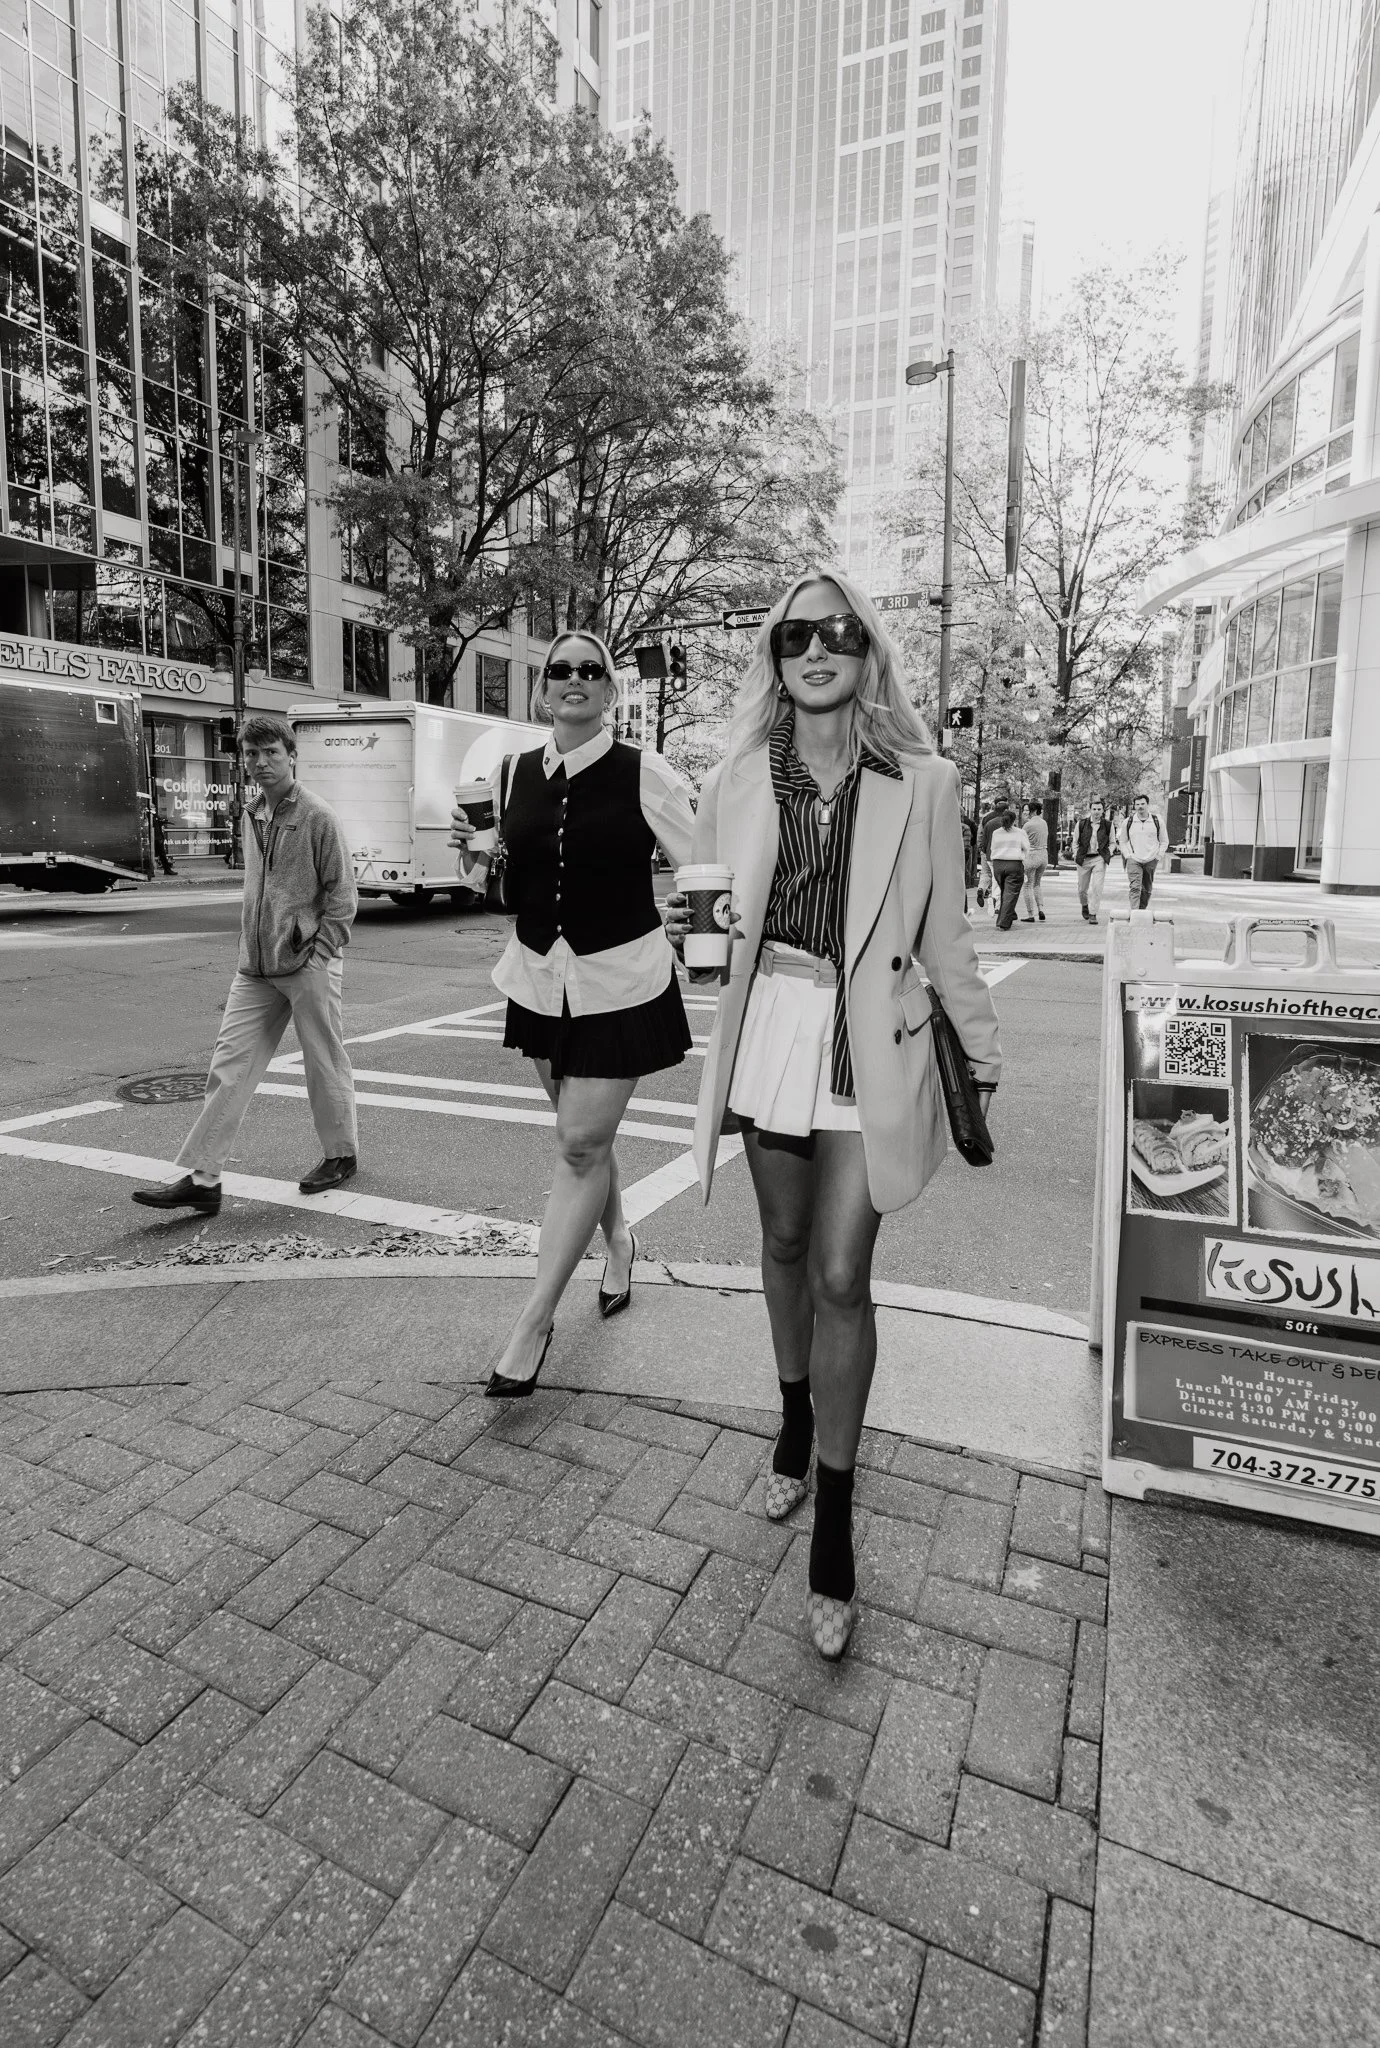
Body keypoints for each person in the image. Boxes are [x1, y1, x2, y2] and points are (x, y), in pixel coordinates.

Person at [667, 570, 1000, 1662]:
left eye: (840, 632)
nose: (818, 648)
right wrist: (692, 931)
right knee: (783, 1241)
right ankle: (795, 1414)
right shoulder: (735, 779)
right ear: (776, 655)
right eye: (797, 634)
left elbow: (948, 934)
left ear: (869, 653)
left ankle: (839, 1522)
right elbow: (712, 916)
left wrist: (981, 1054)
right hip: (772, 1026)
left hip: (875, 1044)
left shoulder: (926, 779)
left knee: (843, 1275)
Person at [450, 630, 695, 1397]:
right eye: (561, 670)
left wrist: (691, 915)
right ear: (542, 690)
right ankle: (619, 1240)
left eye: (592, 671)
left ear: (611, 691)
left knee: (581, 1145)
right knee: (581, 1140)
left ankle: (532, 1323)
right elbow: (500, 883)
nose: (575, 679)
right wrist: (475, 861)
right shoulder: (513, 771)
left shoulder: (644, 771)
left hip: (620, 981)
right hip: (539, 980)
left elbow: (709, 862)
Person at [132, 714, 359, 1216]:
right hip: (254, 968)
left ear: (291, 754)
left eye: (270, 753)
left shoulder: (317, 816)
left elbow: (342, 897)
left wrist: (318, 955)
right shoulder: (251, 813)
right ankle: (204, 1178)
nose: (260, 763)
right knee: (228, 1068)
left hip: (306, 964)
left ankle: (340, 1154)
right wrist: (249, 948)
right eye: (251, 755)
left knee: (323, 1063)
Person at [1117, 792, 1168, 909]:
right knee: (1135, 887)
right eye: (1137, 804)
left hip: (1151, 859)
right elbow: (1123, 841)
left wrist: (1158, 857)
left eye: (1142, 804)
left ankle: (1142, 910)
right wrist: (1127, 855)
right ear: (1134, 806)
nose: (1140, 806)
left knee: (1147, 888)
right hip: (1134, 859)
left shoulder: (1157, 821)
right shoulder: (1128, 822)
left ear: (1147, 805)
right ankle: (1135, 912)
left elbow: (1164, 841)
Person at [988, 808, 1029, 930]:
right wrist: (1023, 859)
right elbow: (1026, 848)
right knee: (1010, 893)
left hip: (998, 865)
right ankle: (1003, 922)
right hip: (1014, 865)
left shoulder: (996, 833)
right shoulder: (1020, 832)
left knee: (1005, 892)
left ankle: (1010, 914)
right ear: (1014, 820)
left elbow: (992, 848)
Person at [1074, 799, 1111, 922]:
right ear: (1090, 810)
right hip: (1084, 859)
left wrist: (1108, 853)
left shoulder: (1107, 825)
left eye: (1099, 809)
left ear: (1102, 811)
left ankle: (1093, 913)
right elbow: (1075, 842)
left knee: (1097, 887)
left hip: (1099, 859)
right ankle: (1084, 905)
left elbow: (1112, 843)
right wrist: (1075, 854)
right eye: (1094, 809)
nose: (1096, 812)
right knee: (1082, 889)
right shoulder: (1081, 824)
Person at [975, 784, 1010, 911]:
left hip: (986, 850)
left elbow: (980, 834)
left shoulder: (986, 818)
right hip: (1001, 853)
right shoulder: (1008, 818)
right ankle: (997, 903)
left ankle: (981, 889)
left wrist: (981, 848)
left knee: (985, 874)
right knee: (998, 878)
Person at [1018, 799, 1048, 922]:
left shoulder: (1028, 825)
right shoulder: (1044, 823)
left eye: (1029, 811)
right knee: (1037, 884)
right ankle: (1041, 909)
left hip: (1031, 856)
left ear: (1034, 811)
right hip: (1043, 855)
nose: (1028, 813)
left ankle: (1031, 914)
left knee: (1027, 885)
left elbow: (1021, 841)